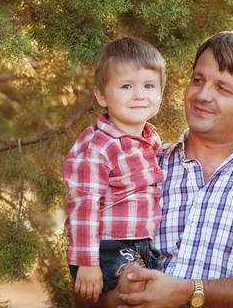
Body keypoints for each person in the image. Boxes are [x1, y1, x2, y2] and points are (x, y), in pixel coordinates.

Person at [81, 31, 233, 308]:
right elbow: (84, 288)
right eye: (198, 80)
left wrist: (189, 292)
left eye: (223, 88)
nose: (202, 95)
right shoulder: (143, 166)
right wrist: (117, 297)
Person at [63, 36, 166, 303]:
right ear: (101, 95)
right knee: (139, 292)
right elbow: (84, 205)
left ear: (160, 94)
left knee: (158, 293)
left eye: (148, 86)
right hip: (107, 247)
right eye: (126, 86)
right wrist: (87, 262)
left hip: (143, 244)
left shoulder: (150, 140)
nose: (139, 95)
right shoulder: (99, 146)